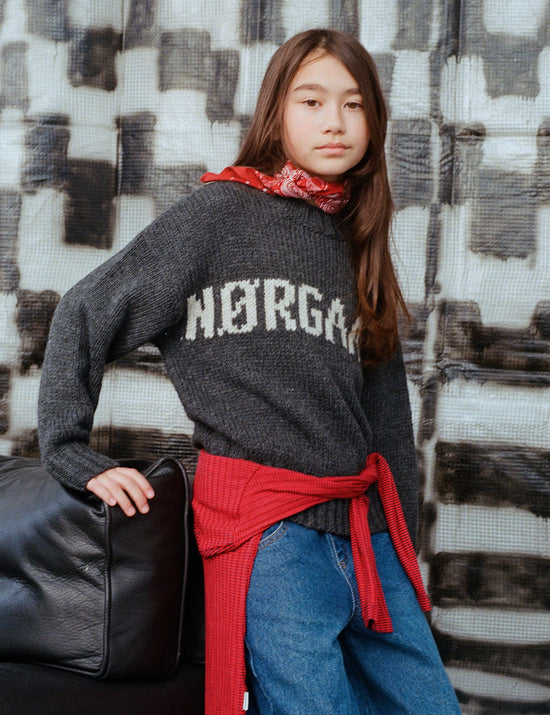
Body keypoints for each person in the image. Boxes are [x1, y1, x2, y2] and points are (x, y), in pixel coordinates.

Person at [38, 28, 461, 715]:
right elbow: (85, 311)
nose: (334, 121)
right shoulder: (219, 215)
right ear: (276, 113)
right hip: (270, 537)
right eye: (312, 101)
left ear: (374, 122)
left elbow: (387, 421)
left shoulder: (356, 239)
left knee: (429, 705)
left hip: (367, 537)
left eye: (354, 104)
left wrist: (402, 556)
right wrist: (67, 449)